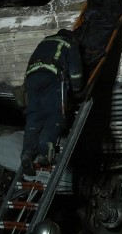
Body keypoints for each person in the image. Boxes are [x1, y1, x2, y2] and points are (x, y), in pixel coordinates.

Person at [21, 29, 84, 176]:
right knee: (54, 114)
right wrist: (76, 88)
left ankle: (27, 153)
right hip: (52, 77)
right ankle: (44, 153)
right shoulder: (69, 44)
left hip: (31, 79)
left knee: (34, 116)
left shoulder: (44, 42)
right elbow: (76, 71)